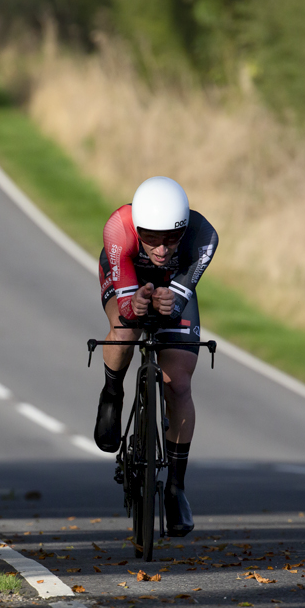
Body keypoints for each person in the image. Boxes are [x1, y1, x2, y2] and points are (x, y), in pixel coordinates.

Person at [95, 176, 218, 536]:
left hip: (175, 282)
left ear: (184, 230)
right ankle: (112, 394)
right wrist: (133, 304)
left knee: (178, 384)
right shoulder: (119, 228)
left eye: (172, 238)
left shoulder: (203, 235)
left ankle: (177, 488)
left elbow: (180, 293)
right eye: (151, 238)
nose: (162, 249)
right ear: (137, 229)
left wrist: (174, 298)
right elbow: (127, 306)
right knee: (126, 329)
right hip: (127, 275)